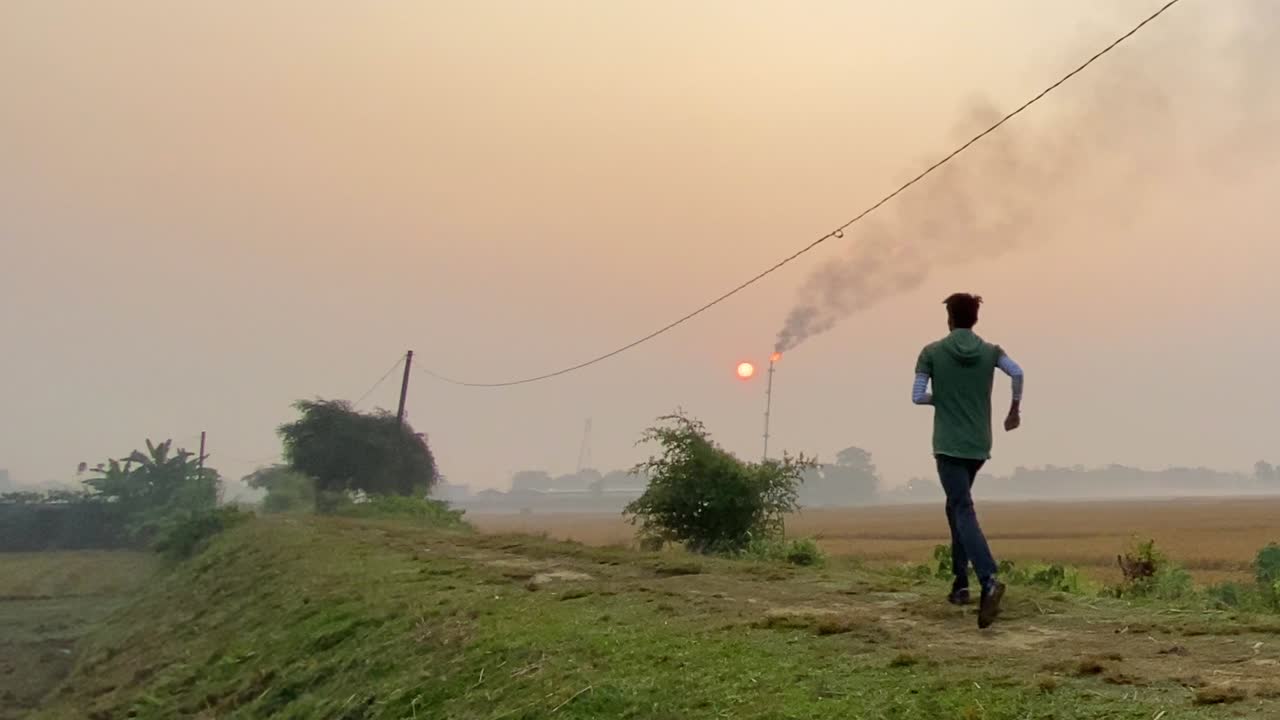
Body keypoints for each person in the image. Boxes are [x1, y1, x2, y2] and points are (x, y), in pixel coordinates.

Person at [912, 293, 1023, 629]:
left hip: (948, 444)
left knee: (961, 508)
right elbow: (1017, 373)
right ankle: (960, 585)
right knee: (956, 506)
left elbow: (917, 396)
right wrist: (1014, 410)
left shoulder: (931, 352)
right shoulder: (991, 352)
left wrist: (942, 399)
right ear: (975, 319)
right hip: (978, 444)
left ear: (949, 318)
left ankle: (988, 579)